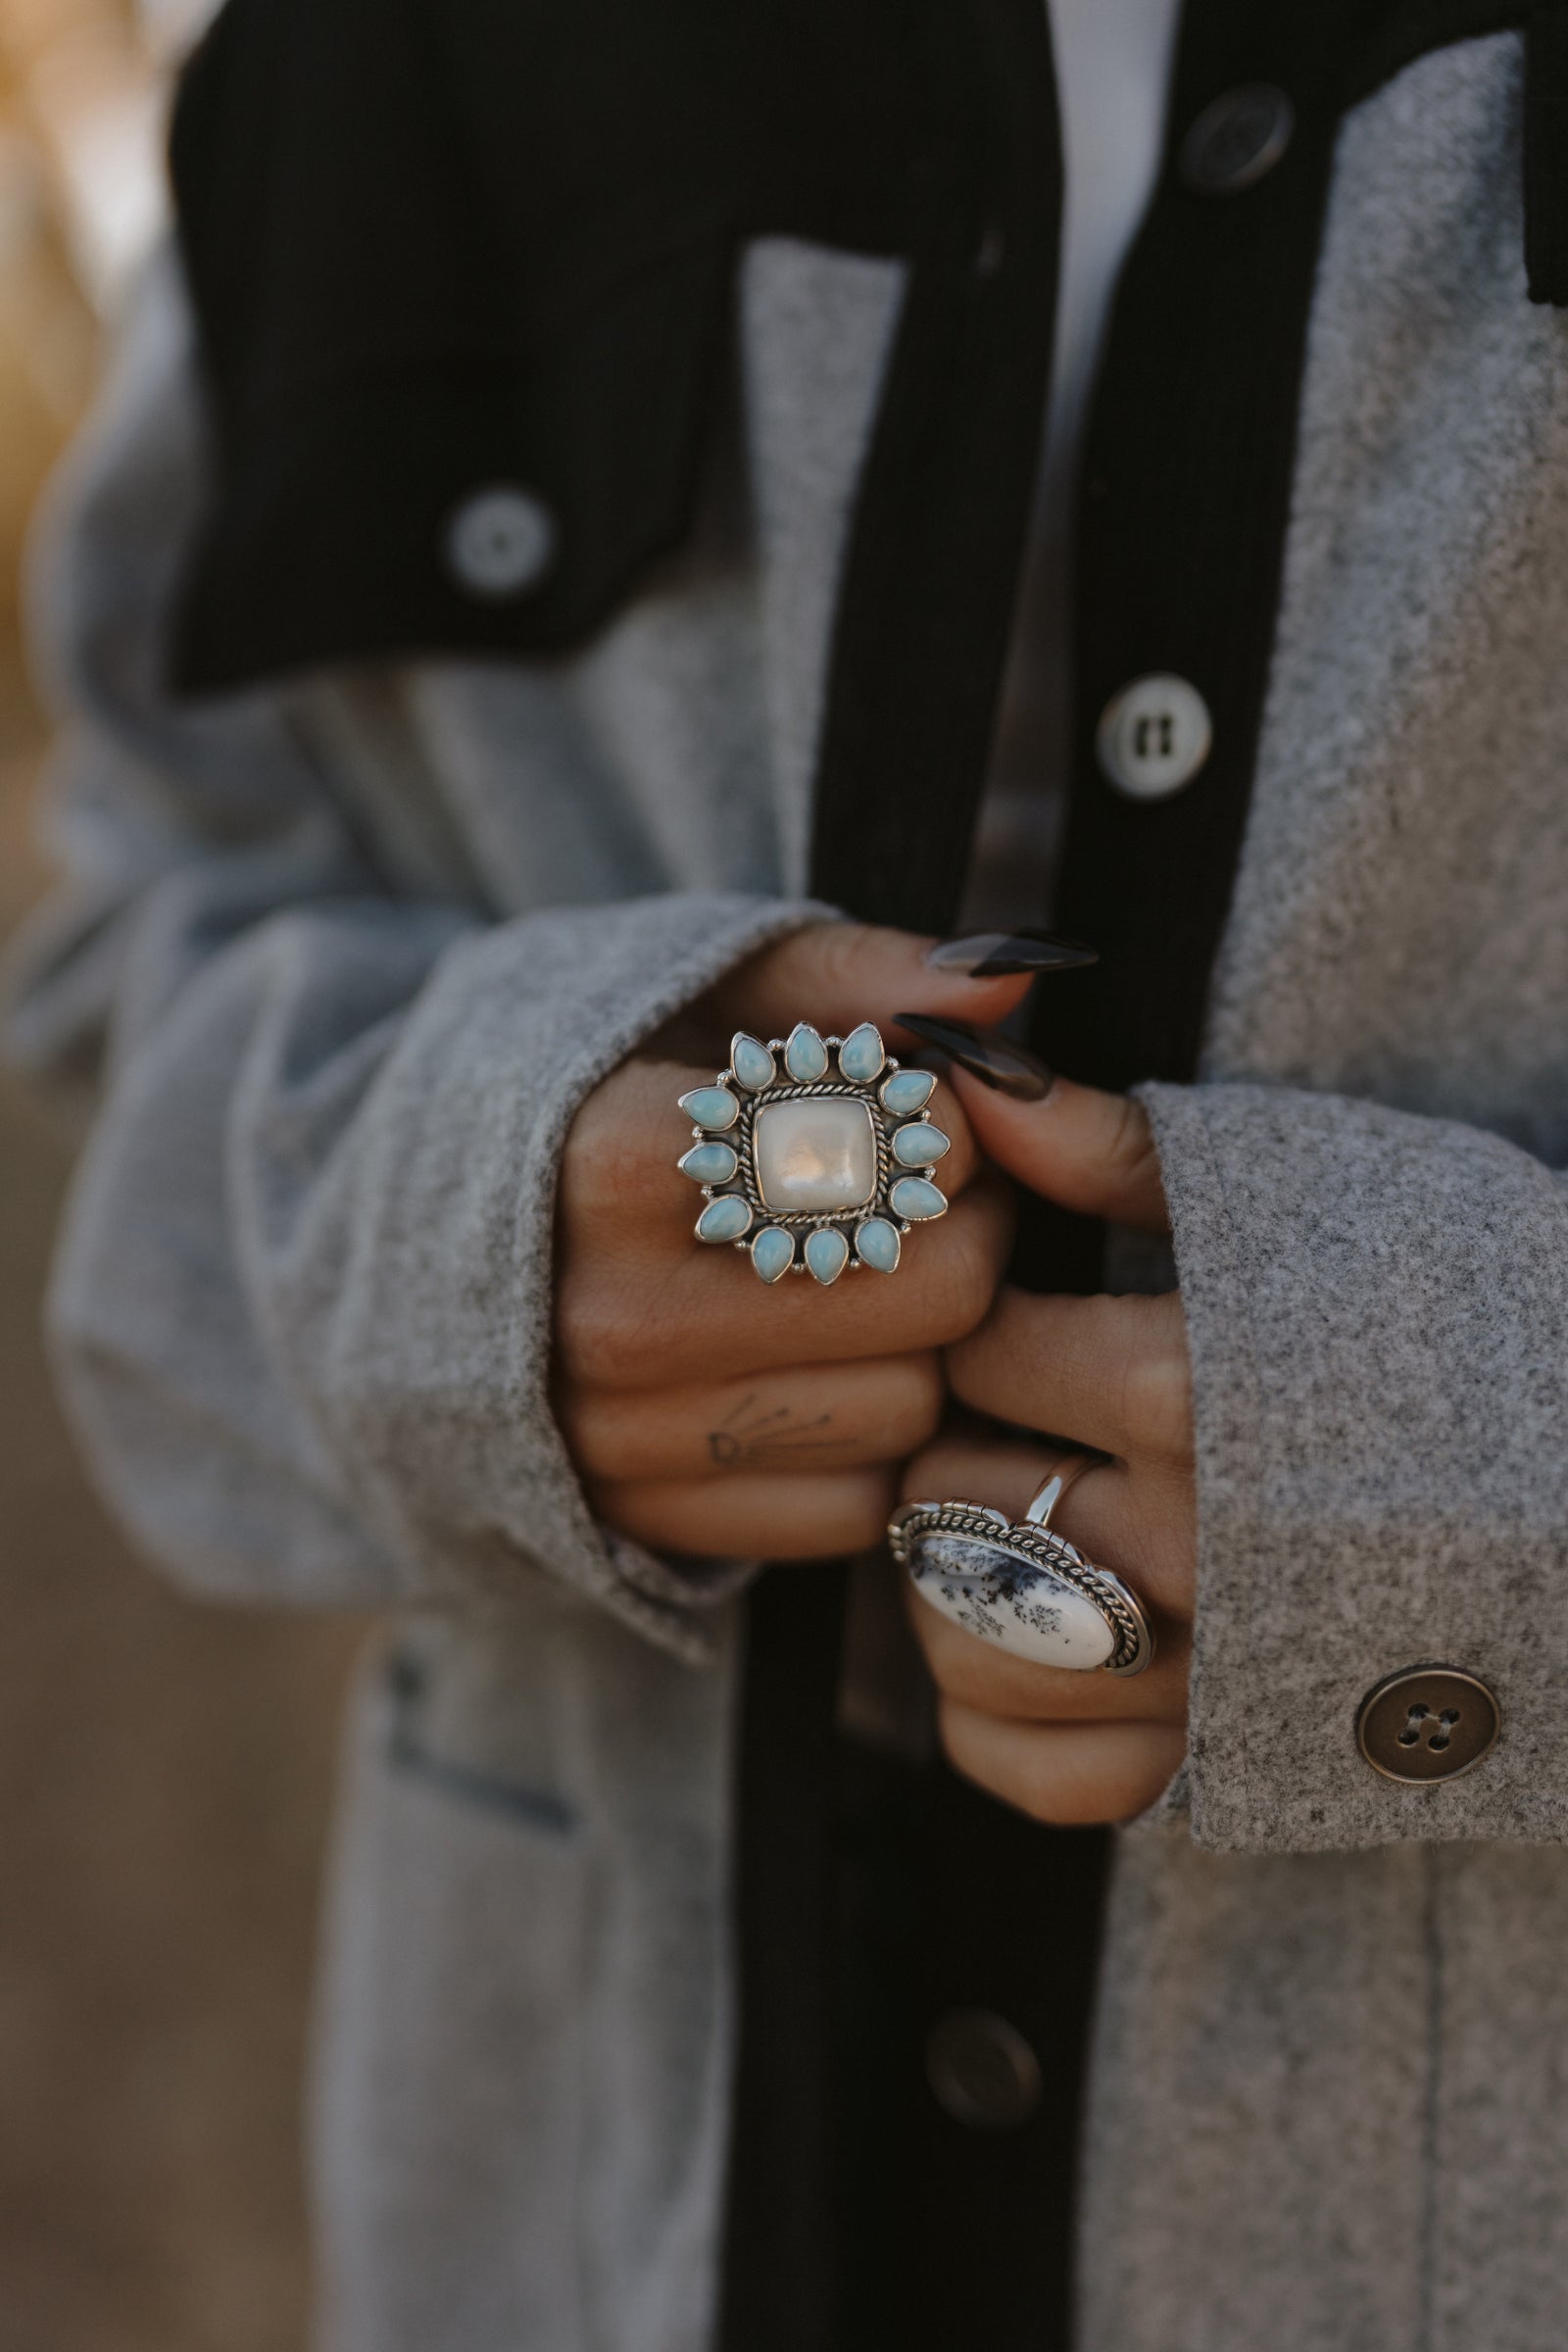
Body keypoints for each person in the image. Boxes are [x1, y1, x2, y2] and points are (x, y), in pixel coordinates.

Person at [10, 1, 1568, 2346]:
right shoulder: (355, 51)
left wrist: (1490, 1454)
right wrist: (453, 1225)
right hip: (576, 2213)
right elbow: (123, 964)